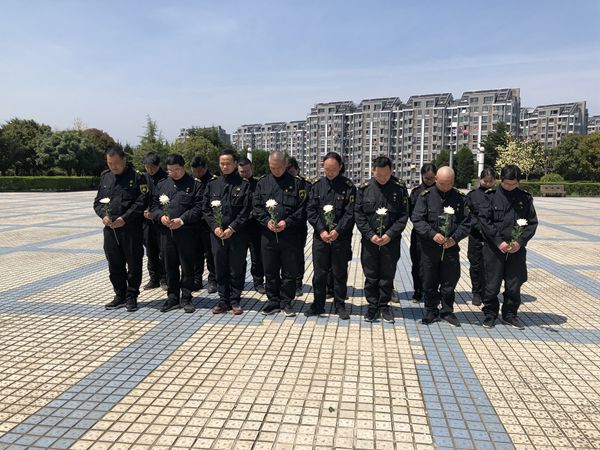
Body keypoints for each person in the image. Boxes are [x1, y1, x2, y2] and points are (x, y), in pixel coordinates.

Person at [478, 164, 538, 329]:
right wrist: (499, 242)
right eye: (506, 184)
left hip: (516, 250)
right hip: (494, 249)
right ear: (500, 179)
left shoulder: (525, 198)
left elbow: (532, 223)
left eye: (514, 184)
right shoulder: (490, 196)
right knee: (491, 284)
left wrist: (520, 242)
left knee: (514, 284)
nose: (510, 187)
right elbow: (485, 221)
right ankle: (490, 313)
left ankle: (510, 314)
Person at [411, 166, 472, 327]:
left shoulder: (460, 198)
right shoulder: (425, 196)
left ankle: (447, 311)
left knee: (449, 281)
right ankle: (430, 310)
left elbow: (467, 223)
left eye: (449, 184)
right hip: (429, 248)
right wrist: (432, 234)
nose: (445, 187)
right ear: (436, 179)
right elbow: (417, 219)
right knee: (429, 280)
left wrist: (454, 238)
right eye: (442, 183)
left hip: (450, 248)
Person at [253, 151, 308, 317]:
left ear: (285, 165)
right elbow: (256, 207)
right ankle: (273, 301)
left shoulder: (297, 184)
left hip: (290, 235)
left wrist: (287, 222)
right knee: (270, 269)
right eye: (272, 168)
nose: (275, 171)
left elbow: (302, 209)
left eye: (278, 168)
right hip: (268, 235)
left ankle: (286, 302)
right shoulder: (263, 183)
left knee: (289, 271)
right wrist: (266, 221)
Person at [355, 156, 409, 323]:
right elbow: (359, 215)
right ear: (373, 171)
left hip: (390, 241)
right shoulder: (364, 189)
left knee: (387, 275)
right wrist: (370, 235)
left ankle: (384, 306)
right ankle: (372, 306)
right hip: (369, 241)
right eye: (379, 175)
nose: (383, 178)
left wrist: (389, 234)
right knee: (371, 275)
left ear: (391, 171)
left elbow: (403, 216)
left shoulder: (399, 189)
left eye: (386, 174)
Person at [93, 147, 147, 312]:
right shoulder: (106, 177)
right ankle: (120, 295)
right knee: (114, 264)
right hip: (110, 230)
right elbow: (97, 202)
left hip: (130, 229)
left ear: (124, 160)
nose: (113, 166)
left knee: (134, 264)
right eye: (110, 163)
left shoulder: (137, 177)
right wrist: (103, 216)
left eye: (116, 163)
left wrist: (125, 218)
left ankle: (132, 296)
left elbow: (142, 202)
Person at [305, 152, 356, 320]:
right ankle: (318, 304)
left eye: (333, 169)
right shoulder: (317, 186)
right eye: (327, 169)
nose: (330, 172)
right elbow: (311, 211)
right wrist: (321, 230)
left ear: (340, 167)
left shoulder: (348, 187)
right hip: (321, 238)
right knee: (319, 273)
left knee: (339, 273)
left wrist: (337, 230)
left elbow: (350, 213)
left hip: (340, 238)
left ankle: (340, 305)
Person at [151, 154, 203, 313]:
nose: (174, 173)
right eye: (170, 170)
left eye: (177, 169)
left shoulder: (195, 185)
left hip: (186, 234)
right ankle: (172, 297)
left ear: (184, 167)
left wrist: (182, 220)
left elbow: (199, 208)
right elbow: (154, 206)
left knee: (187, 267)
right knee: (169, 267)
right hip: (166, 234)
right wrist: (161, 217)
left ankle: (186, 298)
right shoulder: (162, 184)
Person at [204, 150, 253, 314]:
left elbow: (246, 211)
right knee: (220, 267)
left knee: (236, 267)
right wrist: (215, 227)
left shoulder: (244, 185)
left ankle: (235, 299)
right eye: (222, 164)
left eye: (228, 163)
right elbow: (206, 209)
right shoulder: (212, 184)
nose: (224, 167)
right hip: (217, 235)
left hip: (237, 234)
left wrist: (232, 228)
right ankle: (223, 300)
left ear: (235, 164)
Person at [465, 167, 496, 306]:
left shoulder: (498, 195)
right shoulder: (472, 196)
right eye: (485, 181)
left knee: (491, 266)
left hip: (492, 237)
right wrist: (480, 228)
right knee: (476, 265)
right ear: (480, 179)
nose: (488, 184)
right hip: (476, 236)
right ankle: (476, 292)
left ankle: (488, 292)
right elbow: (468, 215)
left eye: (490, 181)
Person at [408, 163, 437, 303]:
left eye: (432, 178)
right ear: (422, 176)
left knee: (433, 265)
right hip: (419, 235)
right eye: (426, 178)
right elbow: (411, 214)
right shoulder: (415, 192)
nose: (429, 181)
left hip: (436, 235)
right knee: (418, 264)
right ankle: (418, 291)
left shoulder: (440, 192)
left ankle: (431, 292)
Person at [238, 157, 265, 294]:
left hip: (255, 227)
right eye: (242, 172)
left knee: (257, 257)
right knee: (239, 258)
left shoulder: (259, 184)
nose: (244, 174)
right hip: (239, 228)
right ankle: (239, 283)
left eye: (247, 171)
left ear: (252, 169)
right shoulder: (235, 185)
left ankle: (258, 282)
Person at [190, 156, 218, 293]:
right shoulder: (190, 181)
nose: (197, 173)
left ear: (206, 168)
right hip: (194, 223)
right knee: (196, 253)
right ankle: (197, 279)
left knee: (210, 253)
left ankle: (213, 280)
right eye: (195, 171)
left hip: (208, 224)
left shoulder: (214, 181)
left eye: (200, 171)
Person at [141, 152, 168, 290]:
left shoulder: (166, 178)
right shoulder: (143, 178)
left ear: (158, 165)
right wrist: (144, 210)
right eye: (147, 167)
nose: (150, 170)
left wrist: (157, 214)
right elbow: (140, 197)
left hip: (161, 221)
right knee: (150, 250)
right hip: (146, 222)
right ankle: (154, 278)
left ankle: (164, 278)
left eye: (152, 167)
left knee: (163, 251)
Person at [286, 157, 310, 297]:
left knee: (298, 256)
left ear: (297, 169)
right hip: (283, 227)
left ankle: (298, 284)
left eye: (291, 171)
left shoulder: (305, 184)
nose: (289, 174)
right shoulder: (281, 183)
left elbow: (306, 207)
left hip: (298, 227)